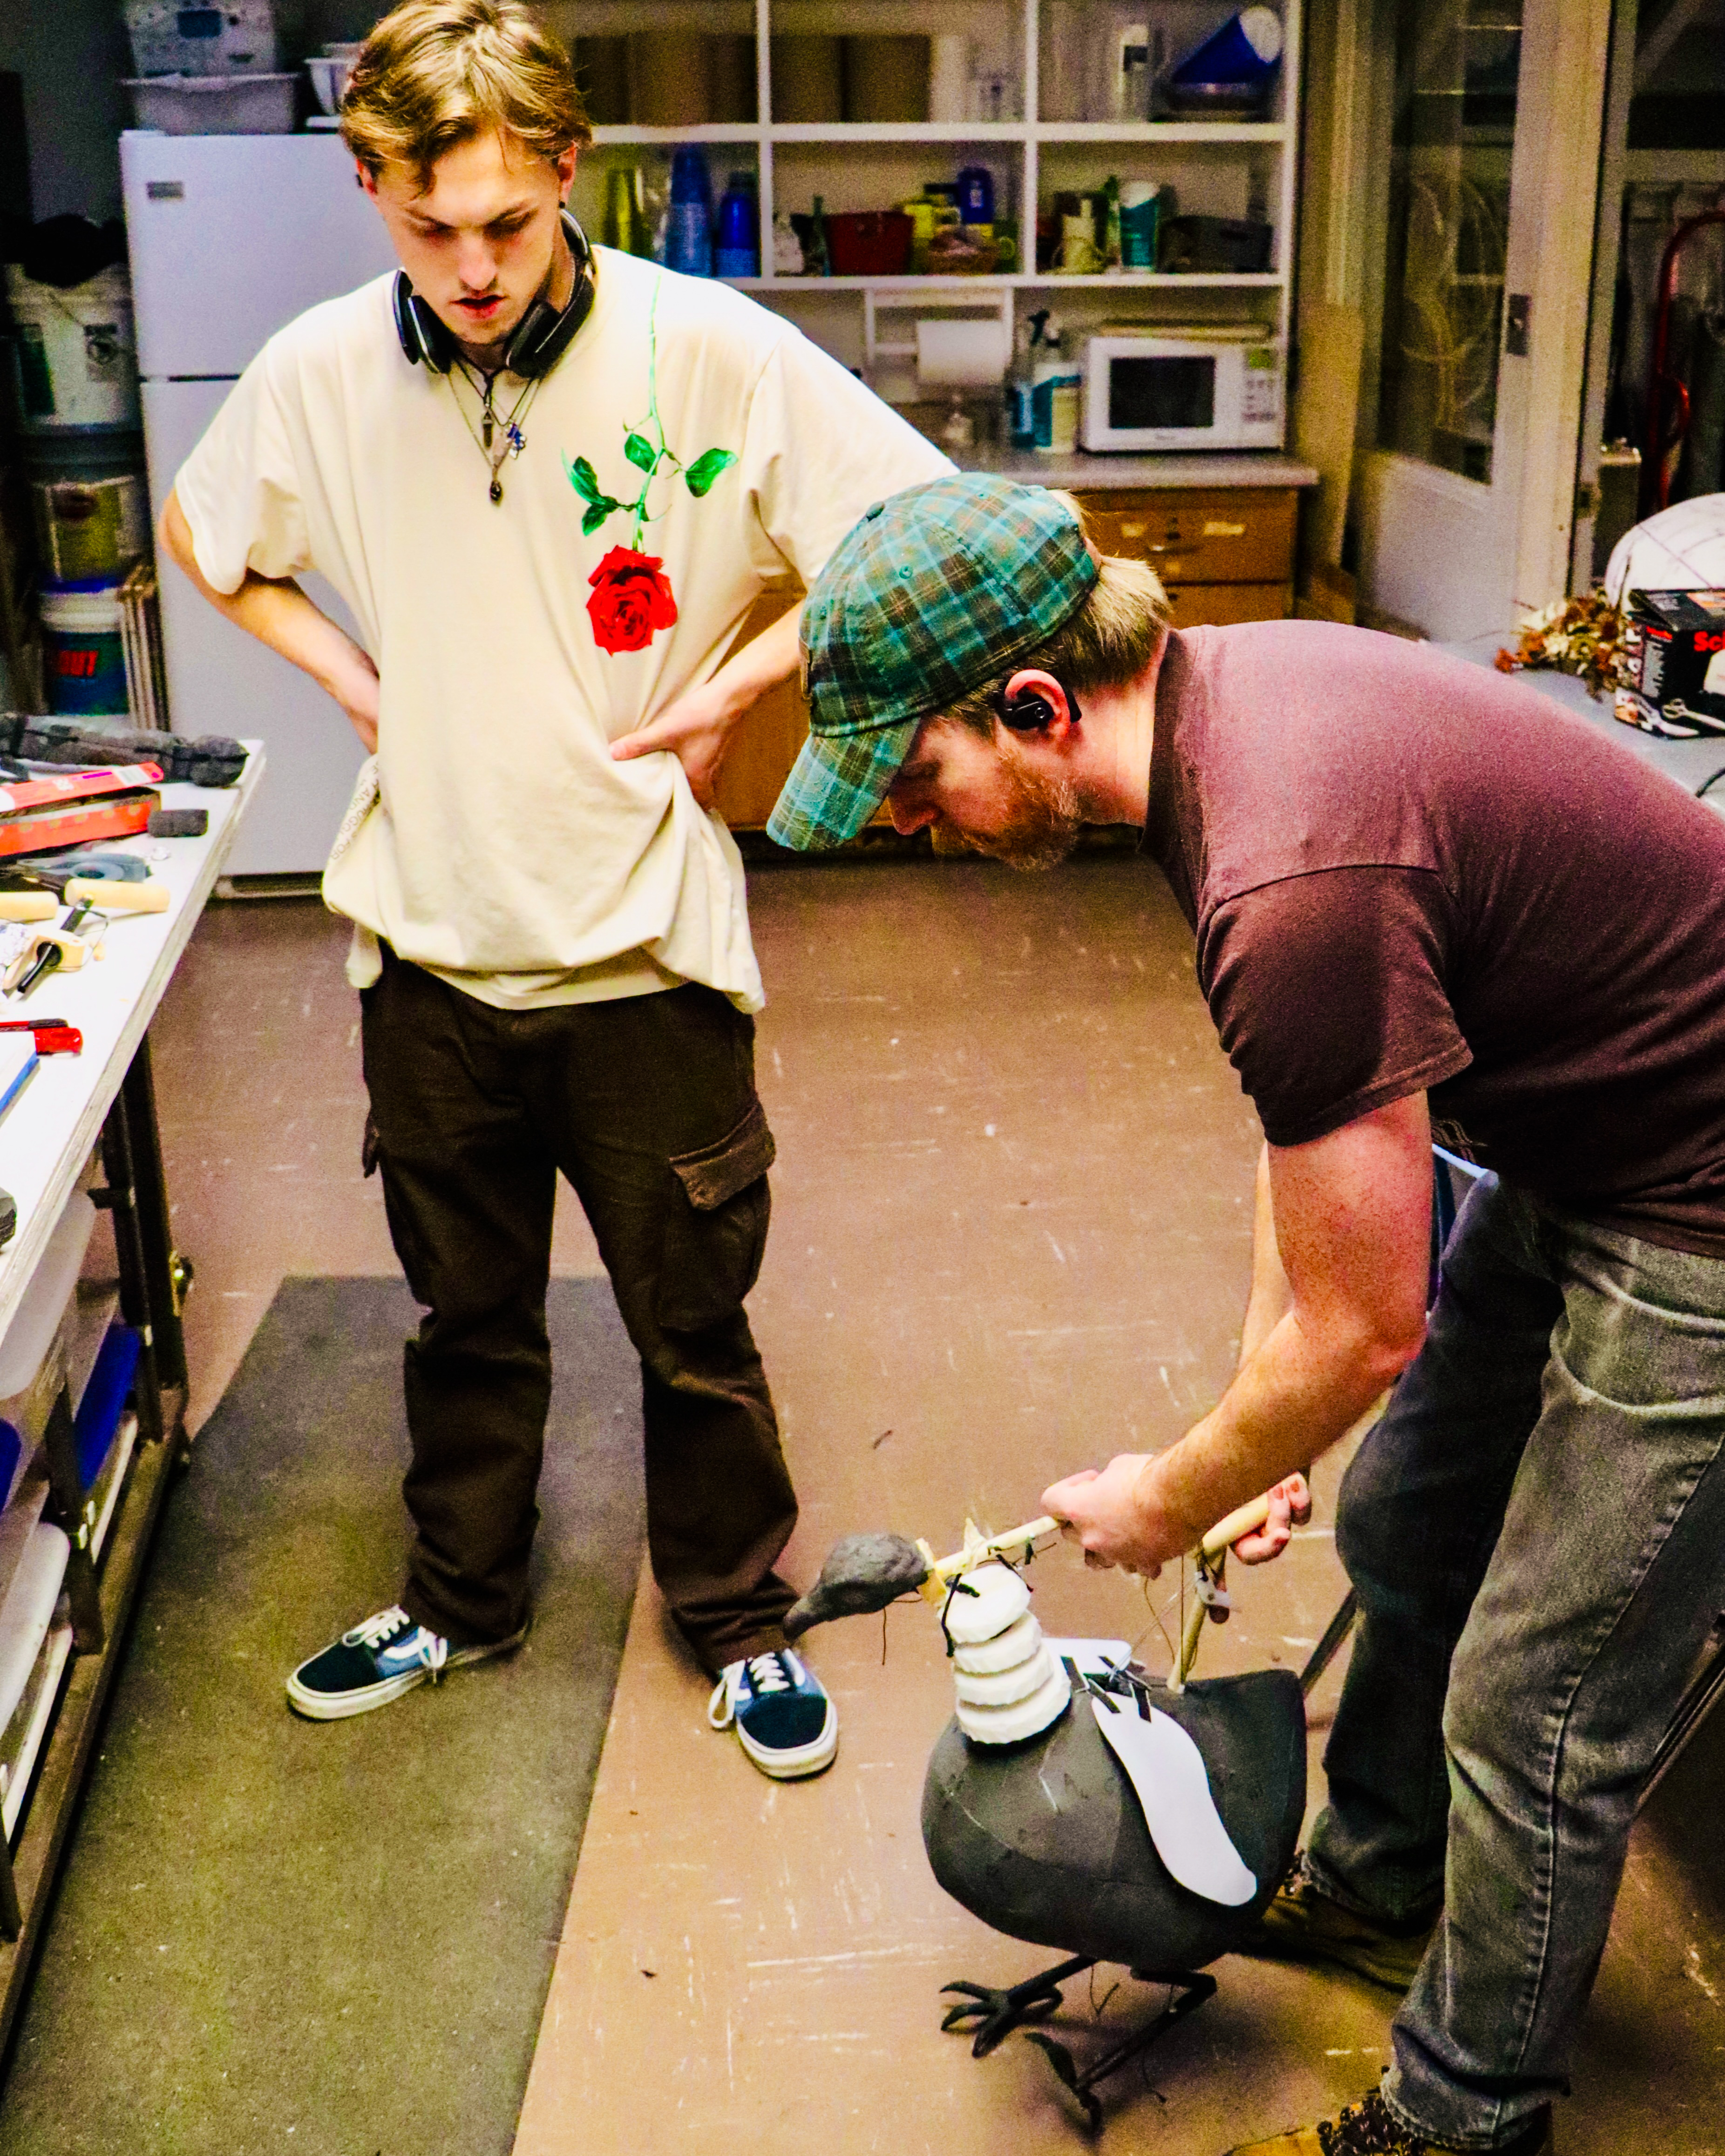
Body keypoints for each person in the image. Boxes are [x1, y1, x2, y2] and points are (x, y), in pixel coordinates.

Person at [766, 472, 1725, 2153]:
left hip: (1700, 1205)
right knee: (1414, 1517)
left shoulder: (1287, 867)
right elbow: (1315, 1133)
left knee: (1539, 1700)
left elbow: (1365, 1330)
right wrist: (1255, 1421)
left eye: (921, 781)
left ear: (1038, 706)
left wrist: (1171, 1496)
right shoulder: (1225, 717)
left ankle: (1462, 2116)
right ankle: (1374, 1890)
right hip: (1587, 1135)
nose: (912, 827)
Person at [157, 0, 950, 1781]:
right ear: (370, 189)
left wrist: (741, 684)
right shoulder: (314, 373)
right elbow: (211, 536)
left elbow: (921, 535)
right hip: (431, 944)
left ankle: (741, 1618)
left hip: (645, 950)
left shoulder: (709, 351)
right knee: (466, 1323)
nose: (473, 268)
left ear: (571, 174)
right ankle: (459, 1600)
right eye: (428, 227)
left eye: (507, 224)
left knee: (693, 1325)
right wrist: (360, 683)